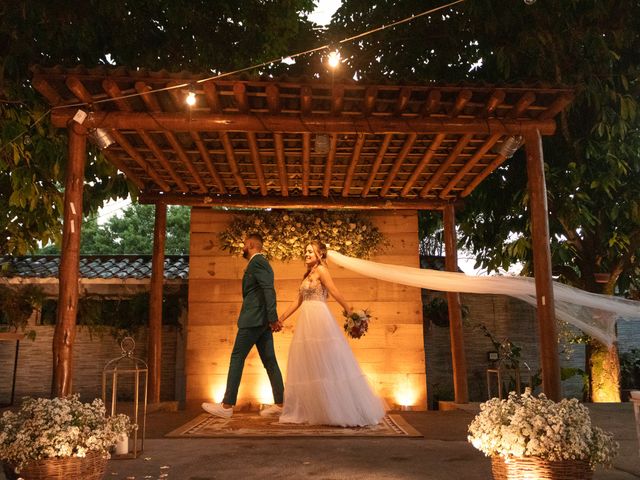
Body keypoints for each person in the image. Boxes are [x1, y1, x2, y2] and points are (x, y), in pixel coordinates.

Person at [276, 240, 385, 427]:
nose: (307, 254)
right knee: (310, 363)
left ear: (320, 254)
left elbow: (334, 291)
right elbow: (298, 300)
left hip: (319, 319)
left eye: (310, 251)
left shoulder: (322, 271)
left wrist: (350, 312)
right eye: (306, 251)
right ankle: (315, 408)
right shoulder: (307, 275)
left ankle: (339, 408)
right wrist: (281, 318)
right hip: (306, 321)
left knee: (327, 361)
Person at [202, 233, 284, 418]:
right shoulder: (257, 263)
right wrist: (270, 319)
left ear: (251, 244)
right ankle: (280, 403)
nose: (243, 247)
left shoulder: (258, 262)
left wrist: (273, 318)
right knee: (270, 360)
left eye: (244, 244)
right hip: (260, 320)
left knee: (237, 357)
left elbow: (268, 290)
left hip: (254, 319)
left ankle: (227, 405)